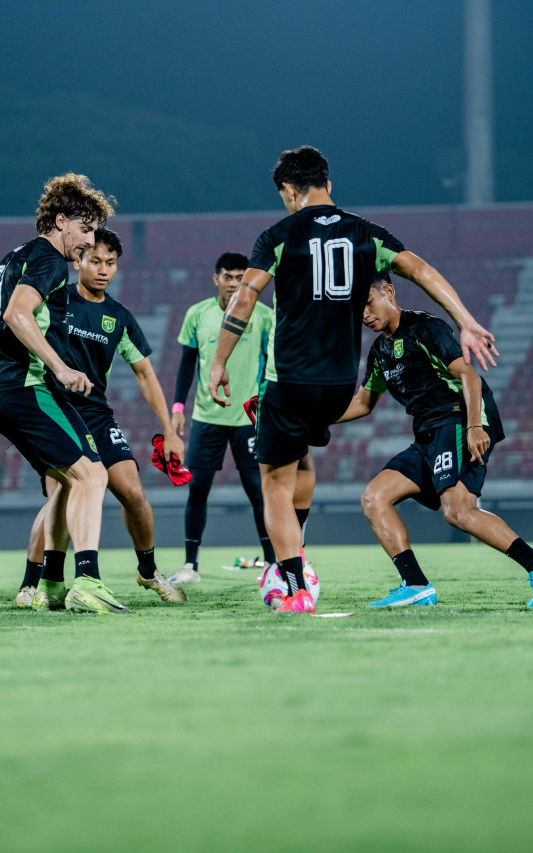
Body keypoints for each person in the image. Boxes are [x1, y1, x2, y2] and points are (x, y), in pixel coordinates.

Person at [208, 145, 500, 613]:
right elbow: (421, 271)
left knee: (274, 484)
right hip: (340, 384)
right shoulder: (367, 233)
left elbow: (244, 300)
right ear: (328, 183)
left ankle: (295, 584)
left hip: (289, 380)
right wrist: (464, 319)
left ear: (288, 189)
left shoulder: (278, 235)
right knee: (302, 463)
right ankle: (296, 558)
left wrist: (219, 362)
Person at [0, 228, 187, 607]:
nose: (103, 270)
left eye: (111, 263)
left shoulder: (118, 316)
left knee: (132, 491)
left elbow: (145, 373)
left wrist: (169, 430)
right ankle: (34, 583)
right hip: (53, 404)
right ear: (79, 259)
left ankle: (149, 572)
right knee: (62, 493)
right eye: (96, 260)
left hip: (96, 415)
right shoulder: (51, 292)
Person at [337, 274, 533, 607]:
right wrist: (308, 420)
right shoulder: (380, 352)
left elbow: (469, 376)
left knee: (458, 511)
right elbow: (362, 403)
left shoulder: (425, 328)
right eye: (357, 310)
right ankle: (415, 584)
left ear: (388, 291)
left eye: (368, 304)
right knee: (374, 498)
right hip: (428, 433)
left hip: (458, 418)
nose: (364, 314)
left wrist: (475, 426)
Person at [0, 173, 126, 613]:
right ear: (60, 221)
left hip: (2, 389)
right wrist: (60, 367)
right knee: (93, 476)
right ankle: (89, 583)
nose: (89, 241)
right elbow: (17, 315)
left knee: (67, 483)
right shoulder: (49, 261)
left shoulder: (9, 260)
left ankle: (49, 586)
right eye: (84, 229)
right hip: (30, 387)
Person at [171, 252, 274, 582]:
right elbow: (187, 363)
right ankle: (191, 566)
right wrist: (177, 408)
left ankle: (274, 564)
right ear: (216, 279)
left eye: (241, 278)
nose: (234, 283)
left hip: (249, 419)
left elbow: (271, 365)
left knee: (258, 492)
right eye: (228, 277)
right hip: (207, 415)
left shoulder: (264, 316)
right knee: (198, 489)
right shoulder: (197, 314)